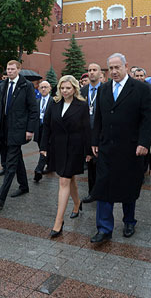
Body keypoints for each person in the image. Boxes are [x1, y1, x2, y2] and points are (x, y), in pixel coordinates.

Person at [89, 52, 151, 242]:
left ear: (126, 66)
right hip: (107, 147)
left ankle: (129, 221)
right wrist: (94, 141)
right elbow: (98, 118)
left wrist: (144, 142)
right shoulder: (104, 88)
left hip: (131, 148)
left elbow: (148, 118)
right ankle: (104, 228)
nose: (114, 71)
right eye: (111, 68)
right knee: (103, 186)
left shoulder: (141, 89)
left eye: (117, 67)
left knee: (128, 185)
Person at [40, 75, 91, 237]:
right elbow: (46, 125)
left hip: (74, 147)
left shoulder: (82, 105)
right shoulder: (54, 103)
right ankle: (77, 203)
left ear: (75, 88)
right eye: (62, 88)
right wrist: (43, 146)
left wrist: (88, 151)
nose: (65, 91)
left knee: (64, 180)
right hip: (57, 146)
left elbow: (86, 130)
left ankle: (58, 222)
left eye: (68, 88)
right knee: (70, 178)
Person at [0, 60, 39, 208]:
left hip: (18, 129)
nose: (9, 71)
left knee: (10, 164)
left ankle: (1, 198)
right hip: (3, 129)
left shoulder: (26, 86)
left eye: (12, 69)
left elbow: (33, 110)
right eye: (8, 69)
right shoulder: (3, 85)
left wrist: (30, 129)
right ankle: (24, 186)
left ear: (18, 69)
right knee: (17, 158)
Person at [79, 63, 102, 204]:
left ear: (100, 73)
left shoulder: (106, 89)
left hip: (101, 132)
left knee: (101, 163)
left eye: (94, 70)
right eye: (89, 70)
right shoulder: (83, 90)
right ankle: (92, 192)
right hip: (87, 132)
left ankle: (101, 191)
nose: (92, 72)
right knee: (90, 164)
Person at [132, 67, 151, 175]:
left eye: (141, 76)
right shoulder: (130, 88)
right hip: (133, 125)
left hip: (147, 125)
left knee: (146, 148)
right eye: (137, 76)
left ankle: (143, 170)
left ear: (145, 76)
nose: (139, 78)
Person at [33, 80, 52, 182]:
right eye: (42, 87)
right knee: (42, 147)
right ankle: (49, 165)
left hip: (49, 129)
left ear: (50, 89)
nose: (43, 89)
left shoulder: (53, 101)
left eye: (46, 87)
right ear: (39, 89)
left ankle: (39, 169)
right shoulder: (37, 101)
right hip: (39, 128)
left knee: (44, 149)